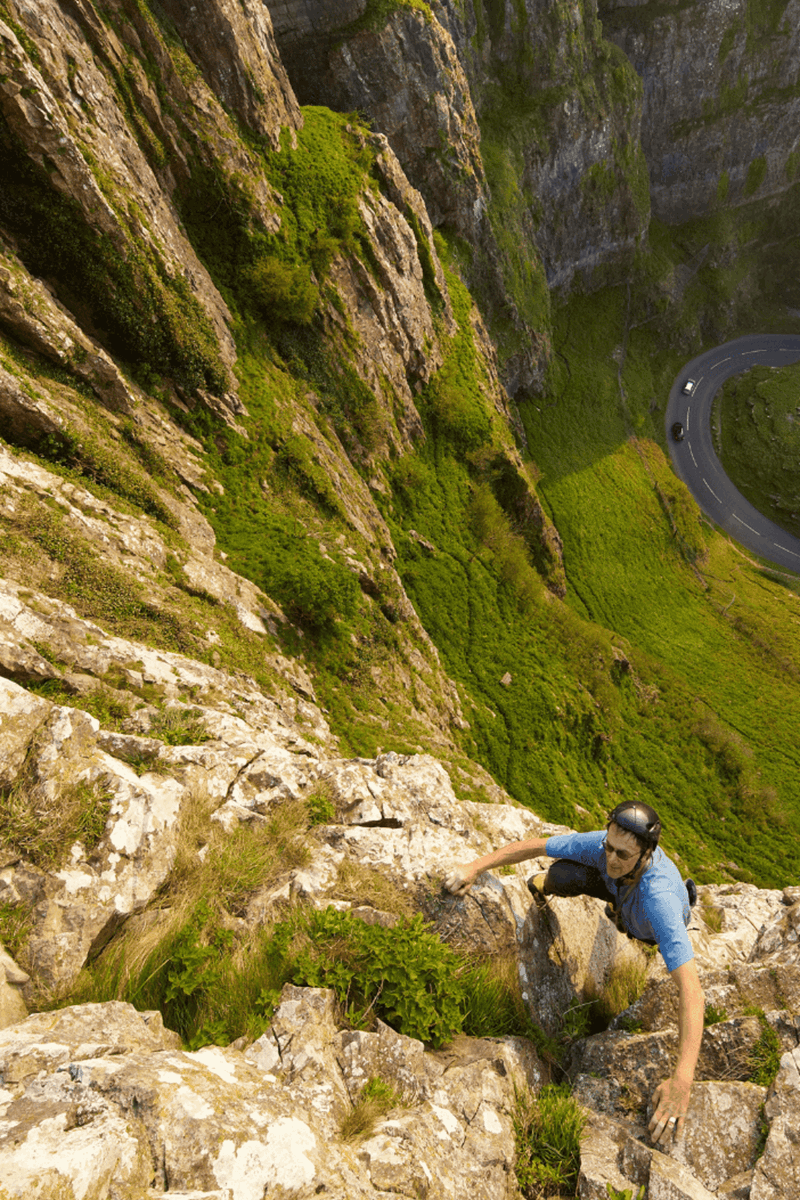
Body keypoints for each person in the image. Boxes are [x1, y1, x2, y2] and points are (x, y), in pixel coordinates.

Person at [444, 801, 704, 1144]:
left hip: (645, 923)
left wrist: (681, 1082)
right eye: (609, 848)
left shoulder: (660, 901)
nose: (612, 858)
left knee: (638, 921)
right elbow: (536, 845)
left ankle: (628, 914)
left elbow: (692, 991)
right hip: (620, 890)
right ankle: (611, 904)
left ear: (645, 855)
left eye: (623, 854)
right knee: (565, 873)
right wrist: (475, 867)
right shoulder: (605, 847)